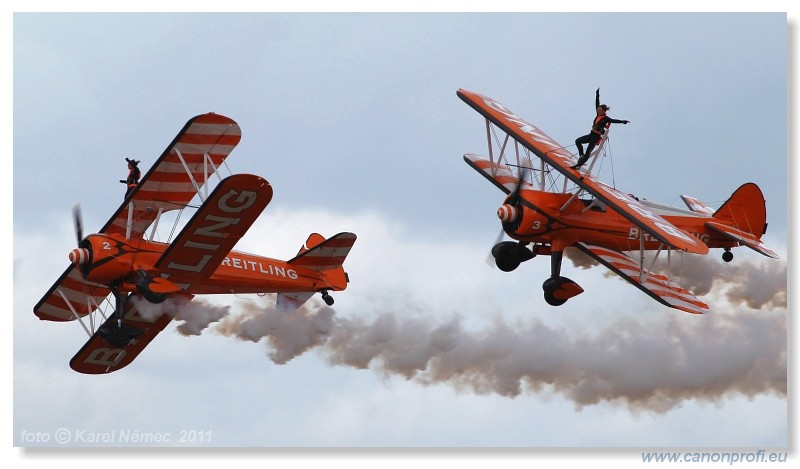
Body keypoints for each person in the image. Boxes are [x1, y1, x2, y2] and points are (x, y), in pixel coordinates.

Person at [571, 88, 629, 170]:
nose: (598, 111)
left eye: (599, 110)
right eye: (597, 110)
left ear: (603, 111)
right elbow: (597, 103)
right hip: (591, 134)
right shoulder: (598, 114)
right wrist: (597, 95)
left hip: (596, 136)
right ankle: (581, 155)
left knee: (588, 151)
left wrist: (623, 121)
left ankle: (578, 165)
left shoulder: (606, 118)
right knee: (578, 141)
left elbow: (613, 120)